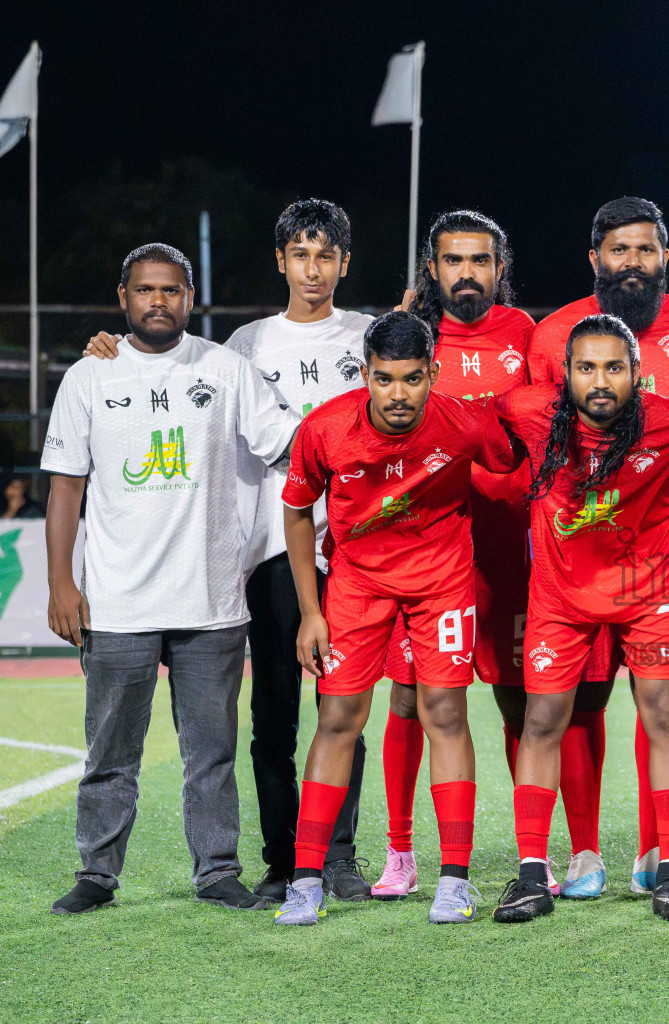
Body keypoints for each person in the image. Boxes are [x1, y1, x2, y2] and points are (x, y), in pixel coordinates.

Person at [79, 200, 376, 902]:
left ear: (344, 262)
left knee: (344, 714)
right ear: (281, 261)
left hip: (355, 552)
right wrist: (110, 349)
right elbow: (176, 376)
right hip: (271, 552)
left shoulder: (367, 336)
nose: (313, 268)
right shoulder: (244, 346)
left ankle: (337, 855)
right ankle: (282, 858)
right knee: (274, 715)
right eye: (300, 254)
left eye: (326, 254)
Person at [44, 244, 298, 914]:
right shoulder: (88, 377)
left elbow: (288, 442)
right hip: (117, 603)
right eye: (145, 290)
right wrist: (61, 586)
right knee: (110, 754)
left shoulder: (227, 370)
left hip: (212, 602)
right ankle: (97, 874)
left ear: (191, 297)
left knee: (210, 754)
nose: (158, 302)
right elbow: (66, 490)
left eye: (172, 290)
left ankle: (216, 871)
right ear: (123, 297)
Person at [272, 310, 515, 926]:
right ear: (365, 374)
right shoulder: (325, 429)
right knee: (338, 717)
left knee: (443, 713)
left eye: (411, 379)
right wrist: (310, 611)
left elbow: (516, 457)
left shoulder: (464, 422)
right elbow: (298, 513)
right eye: (384, 380)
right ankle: (306, 881)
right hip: (357, 585)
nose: (398, 395)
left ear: (434, 373)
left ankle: (454, 881)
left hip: (441, 583)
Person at [490, 315, 669, 924]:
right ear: (564, 374)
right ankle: (532, 876)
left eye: (615, 368)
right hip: (561, 597)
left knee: (664, 717)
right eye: (587, 368)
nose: (601, 381)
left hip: (649, 593)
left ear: (637, 374)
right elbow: (470, 432)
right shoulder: (527, 411)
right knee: (543, 718)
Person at [525, 197, 669, 897]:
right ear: (596, 260)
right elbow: (532, 439)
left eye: (646, 250)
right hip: (575, 555)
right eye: (620, 250)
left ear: (665, 256)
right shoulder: (553, 335)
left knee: (660, 703)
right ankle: (584, 852)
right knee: (580, 703)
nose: (633, 263)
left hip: (668, 552)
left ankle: (655, 851)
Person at [374, 209, 537, 901]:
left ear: (499, 268)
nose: (466, 273)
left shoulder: (527, 334)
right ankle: (401, 852)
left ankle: (535, 856)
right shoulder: (411, 337)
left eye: (479, 260)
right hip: (428, 544)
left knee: (516, 699)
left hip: (506, 545)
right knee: (410, 699)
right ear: (431, 268)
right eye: (452, 260)